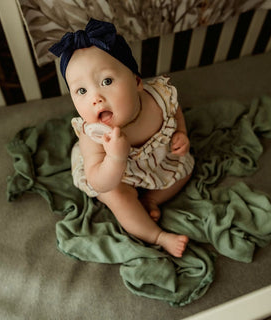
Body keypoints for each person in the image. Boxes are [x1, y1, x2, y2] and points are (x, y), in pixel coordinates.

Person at [49, 18, 194, 257]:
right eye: (81, 91)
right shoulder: (92, 134)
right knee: (117, 197)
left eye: (106, 81)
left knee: (186, 168)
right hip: (114, 176)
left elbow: (174, 109)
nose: (95, 98)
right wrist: (115, 158)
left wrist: (182, 133)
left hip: (157, 161)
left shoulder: (157, 99)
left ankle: (151, 200)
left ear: (137, 82)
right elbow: (98, 181)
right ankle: (157, 235)